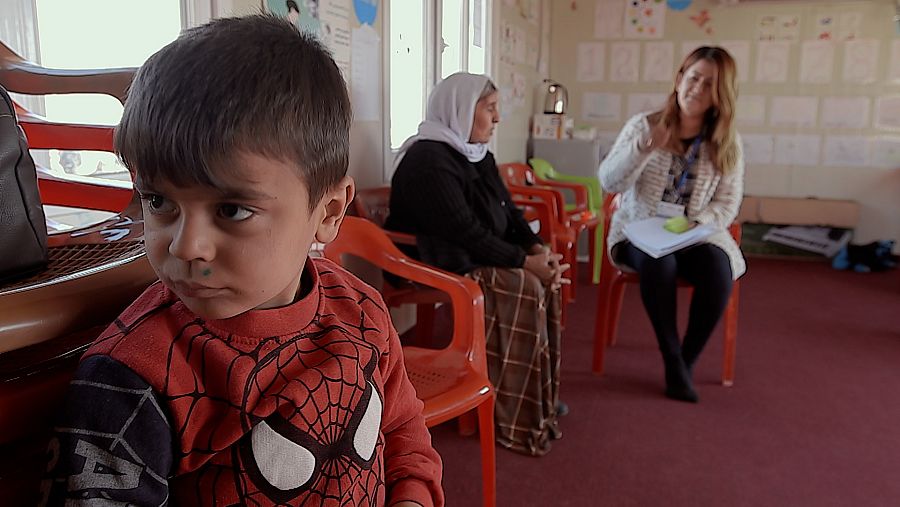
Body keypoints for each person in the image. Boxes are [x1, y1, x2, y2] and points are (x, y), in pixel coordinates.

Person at [40, 15, 442, 507]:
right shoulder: (131, 378)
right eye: (158, 201)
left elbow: (402, 432)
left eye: (231, 210)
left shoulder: (364, 312)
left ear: (329, 212)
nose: (186, 247)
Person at [385, 72, 569, 457]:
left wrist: (536, 250)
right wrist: (523, 262)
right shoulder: (428, 160)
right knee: (523, 283)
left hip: (469, 253)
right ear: (461, 110)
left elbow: (511, 214)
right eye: (489, 108)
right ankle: (512, 412)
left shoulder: (477, 154)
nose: (497, 118)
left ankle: (538, 396)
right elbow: (464, 231)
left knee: (543, 278)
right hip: (437, 260)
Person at [598, 46, 745, 403]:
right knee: (659, 262)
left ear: (721, 94)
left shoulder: (726, 141)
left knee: (719, 268)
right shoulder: (644, 126)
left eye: (709, 84)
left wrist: (700, 221)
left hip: (693, 234)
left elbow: (727, 203)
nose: (697, 89)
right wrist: (643, 147)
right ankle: (671, 355)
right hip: (637, 230)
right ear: (679, 79)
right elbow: (609, 181)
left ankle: (685, 362)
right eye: (693, 78)